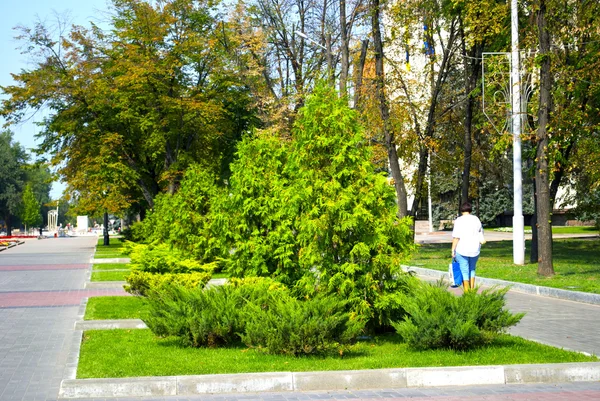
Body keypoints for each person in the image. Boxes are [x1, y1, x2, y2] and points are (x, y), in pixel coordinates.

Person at [451, 202, 485, 292]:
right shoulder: (476, 219)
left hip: (462, 249)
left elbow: (456, 237)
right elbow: (480, 232)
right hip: (475, 249)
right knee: (472, 269)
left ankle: (466, 292)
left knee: (464, 270)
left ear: (461, 210)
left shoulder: (459, 220)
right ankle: (472, 290)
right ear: (470, 210)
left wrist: (453, 249)